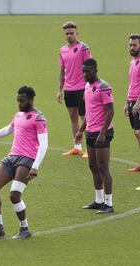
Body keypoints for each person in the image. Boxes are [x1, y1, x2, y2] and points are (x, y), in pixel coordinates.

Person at [0, 86, 48, 239]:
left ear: (31, 100)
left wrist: (35, 166)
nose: (19, 103)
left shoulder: (38, 117)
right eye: (18, 100)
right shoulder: (18, 115)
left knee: (15, 194)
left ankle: (25, 228)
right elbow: (7, 129)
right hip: (12, 157)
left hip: (27, 159)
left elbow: (44, 144)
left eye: (22, 101)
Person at [76, 59, 114, 214]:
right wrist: (81, 130)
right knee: (92, 166)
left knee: (103, 168)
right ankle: (99, 201)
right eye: (83, 71)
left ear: (95, 70)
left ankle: (109, 203)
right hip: (90, 132)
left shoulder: (103, 87)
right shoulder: (87, 86)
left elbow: (110, 111)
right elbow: (90, 111)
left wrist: (103, 132)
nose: (85, 74)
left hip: (102, 133)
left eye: (88, 71)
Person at [57, 21, 92, 157]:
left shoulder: (83, 48)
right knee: (73, 117)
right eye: (67, 33)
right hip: (69, 89)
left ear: (77, 33)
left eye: (72, 33)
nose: (69, 35)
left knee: (85, 118)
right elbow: (62, 71)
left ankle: (89, 148)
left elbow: (90, 68)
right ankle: (77, 146)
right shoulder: (62, 50)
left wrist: (87, 88)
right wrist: (60, 90)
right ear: (64, 35)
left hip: (82, 88)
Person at [124, 34, 140, 172]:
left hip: (138, 102)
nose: (132, 47)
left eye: (135, 45)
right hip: (132, 101)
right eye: (130, 45)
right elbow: (132, 84)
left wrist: (137, 103)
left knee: (138, 132)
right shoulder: (132, 62)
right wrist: (126, 102)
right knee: (136, 133)